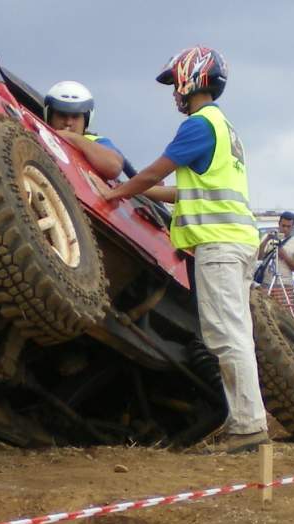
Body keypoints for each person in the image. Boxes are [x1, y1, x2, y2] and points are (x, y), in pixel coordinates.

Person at [97, 46, 268, 453]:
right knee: (236, 334)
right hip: (238, 241)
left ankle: (248, 426)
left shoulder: (197, 125)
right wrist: (141, 192)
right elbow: (182, 189)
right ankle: (245, 421)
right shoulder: (224, 128)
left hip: (219, 244)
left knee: (226, 336)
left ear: (193, 79)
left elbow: (154, 171)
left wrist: (115, 194)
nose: (175, 92)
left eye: (176, 83)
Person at [43, 80, 136, 180]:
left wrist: (72, 137)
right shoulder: (38, 132)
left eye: (75, 116)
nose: (68, 123)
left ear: (87, 119)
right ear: (49, 115)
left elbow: (113, 167)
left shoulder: (96, 141)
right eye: (62, 115)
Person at [257, 211, 294, 303]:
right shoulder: (268, 238)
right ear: (279, 224)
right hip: (267, 282)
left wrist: (285, 256)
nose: (285, 229)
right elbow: (259, 258)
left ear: (293, 226)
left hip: (285, 284)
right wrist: (267, 239)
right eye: (283, 226)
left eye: (288, 226)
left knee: (285, 310)